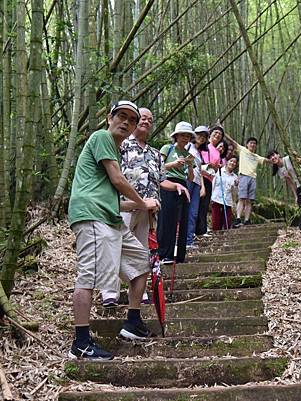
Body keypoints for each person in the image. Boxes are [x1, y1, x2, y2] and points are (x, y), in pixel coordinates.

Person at [68, 100, 160, 360]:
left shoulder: (115, 151)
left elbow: (114, 197)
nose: (126, 122)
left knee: (141, 262)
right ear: (110, 118)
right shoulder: (101, 138)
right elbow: (118, 181)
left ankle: (132, 323)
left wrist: (143, 206)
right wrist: (143, 202)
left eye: (131, 120)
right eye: (121, 116)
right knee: (88, 275)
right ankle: (81, 344)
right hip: (92, 215)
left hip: (109, 216)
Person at [100, 108, 189, 307]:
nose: (146, 122)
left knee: (141, 253)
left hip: (148, 210)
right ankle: (109, 293)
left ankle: (138, 293)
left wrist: (177, 185)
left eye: (150, 119)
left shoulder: (155, 154)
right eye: (143, 118)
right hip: (122, 205)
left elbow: (161, 181)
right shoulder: (120, 145)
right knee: (115, 246)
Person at [157, 121, 194, 264]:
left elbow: (190, 178)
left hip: (183, 186)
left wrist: (190, 165)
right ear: (176, 136)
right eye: (183, 135)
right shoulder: (168, 148)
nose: (185, 138)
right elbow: (157, 166)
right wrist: (174, 164)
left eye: (188, 136)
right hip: (168, 184)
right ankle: (164, 254)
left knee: (182, 220)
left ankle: (179, 255)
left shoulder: (189, 155)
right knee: (167, 218)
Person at [224, 135, 270, 227]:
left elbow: (266, 160)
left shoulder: (256, 157)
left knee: (249, 201)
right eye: (251, 143)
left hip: (253, 178)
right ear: (247, 145)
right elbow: (232, 141)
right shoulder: (243, 150)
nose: (252, 145)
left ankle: (247, 219)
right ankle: (238, 218)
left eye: (254, 143)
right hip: (243, 176)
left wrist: (277, 160)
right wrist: (223, 131)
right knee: (242, 198)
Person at [268, 150, 301, 229]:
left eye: (273, 155)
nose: (273, 158)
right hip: (298, 186)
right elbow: (290, 183)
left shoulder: (288, 159)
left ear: (278, 154)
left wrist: (297, 158)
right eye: (270, 157)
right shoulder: (279, 171)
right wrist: (295, 196)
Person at [196, 125, 222, 237]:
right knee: (198, 204)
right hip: (200, 176)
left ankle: (202, 229)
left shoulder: (217, 151)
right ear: (210, 134)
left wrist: (216, 167)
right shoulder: (205, 146)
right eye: (215, 132)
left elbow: (215, 167)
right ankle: (198, 230)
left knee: (204, 205)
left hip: (210, 178)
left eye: (220, 134)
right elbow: (200, 162)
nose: (217, 135)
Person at [185, 126, 207, 249]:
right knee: (184, 210)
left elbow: (199, 170)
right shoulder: (187, 146)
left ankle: (189, 240)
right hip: (187, 180)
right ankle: (180, 239)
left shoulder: (199, 153)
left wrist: (202, 187)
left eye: (204, 137)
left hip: (197, 183)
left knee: (193, 213)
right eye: (199, 135)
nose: (201, 138)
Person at [210, 156, 238, 230]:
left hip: (227, 202)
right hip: (217, 199)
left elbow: (234, 193)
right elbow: (213, 184)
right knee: (216, 222)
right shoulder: (219, 171)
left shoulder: (235, 177)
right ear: (227, 162)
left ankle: (225, 239)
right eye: (231, 161)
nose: (232, 163)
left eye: (235, 162)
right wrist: (211, 197)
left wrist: (236, 185)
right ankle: (216, 239)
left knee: (227, 223)